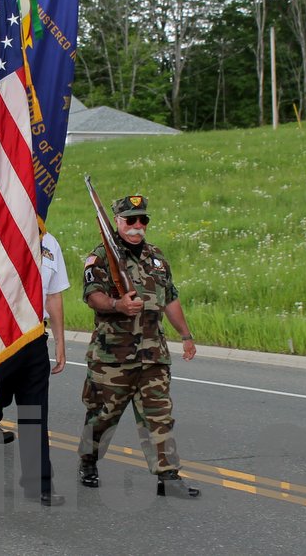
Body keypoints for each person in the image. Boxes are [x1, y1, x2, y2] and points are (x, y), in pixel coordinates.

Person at [78, 194, 201, 499]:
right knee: (103, 416)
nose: (137, 225)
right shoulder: (101, 257)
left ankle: (168, 476)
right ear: (117, 221)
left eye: (142, 219)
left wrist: (186, 335)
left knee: (159, 416)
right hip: (113, 357)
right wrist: (117, 305)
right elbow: (93, 295)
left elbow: (170, 299)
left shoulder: (156, 257)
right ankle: (88, 460)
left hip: (153, 354)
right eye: (130, 220)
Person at [0, 230, 68, 506]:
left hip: (35, 339)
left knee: (35, 414)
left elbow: (53, 295)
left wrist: (60, 341)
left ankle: (38, 483)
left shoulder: (49, 243)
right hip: (0, 340)